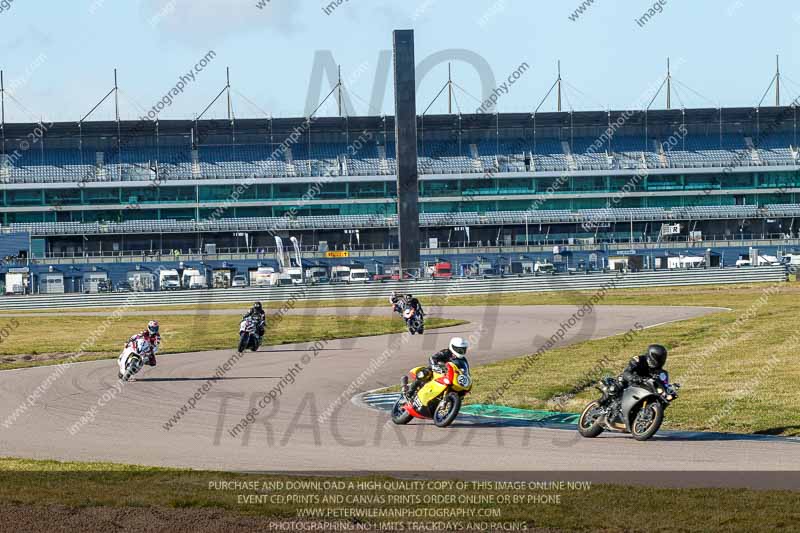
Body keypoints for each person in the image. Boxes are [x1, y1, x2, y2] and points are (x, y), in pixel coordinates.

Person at [402, 337, 469, 400]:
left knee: (460, 390)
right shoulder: (446, 352)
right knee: (424, 373)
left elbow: (466, 372)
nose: (461, 351)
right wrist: (434, 366)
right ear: (453, 347)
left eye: (463, 349)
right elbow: (433, 358)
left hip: (449, 377)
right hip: (437, 371)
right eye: (459, 349)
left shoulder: (463, 360)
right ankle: (410, 392)